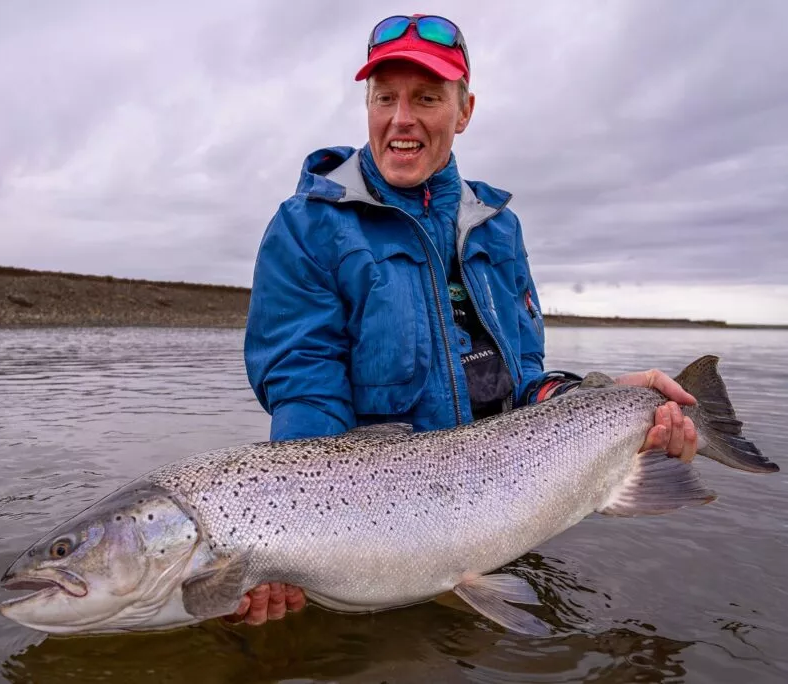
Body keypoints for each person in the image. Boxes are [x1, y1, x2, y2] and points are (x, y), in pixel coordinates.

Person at [231, 15, 698, 626]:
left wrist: (599, 400)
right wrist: (290, 544)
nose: (402, 118)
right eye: (385, 97)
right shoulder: (306, 227)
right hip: (375, 540)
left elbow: (524, 384)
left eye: (427, 97)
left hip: (500, 518)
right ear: (367, 105)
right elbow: (305, 389)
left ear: (464, 110)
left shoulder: (499, 227)